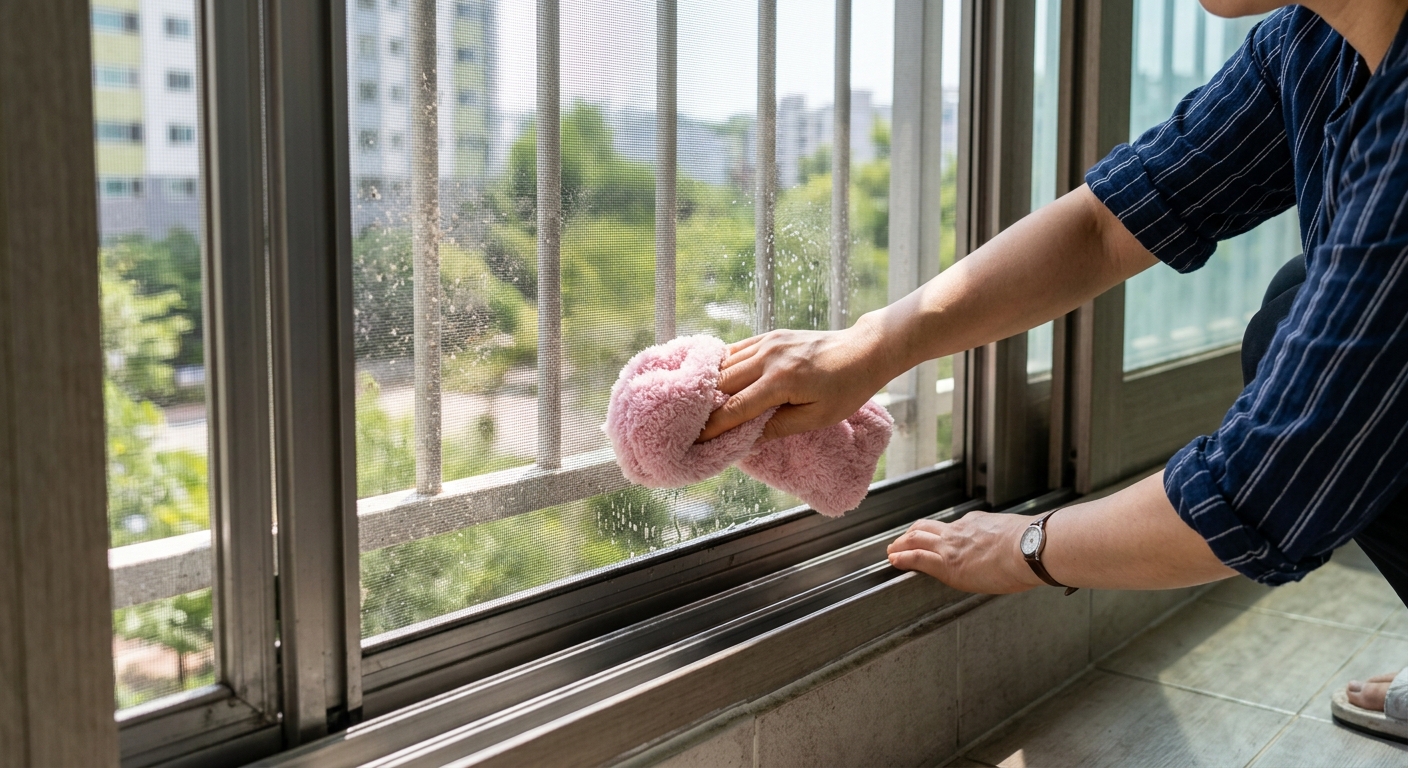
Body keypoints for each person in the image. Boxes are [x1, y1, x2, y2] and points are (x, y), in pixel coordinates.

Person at [697, 0, 1408, 743]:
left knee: (1308, 344)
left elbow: (1270, 486)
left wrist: (1022, 546)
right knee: (1292, 313)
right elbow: (1107, 226)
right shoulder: (1315, 44)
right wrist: (873, 345)